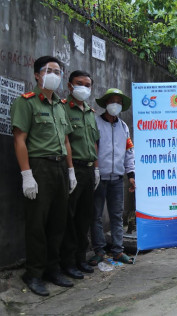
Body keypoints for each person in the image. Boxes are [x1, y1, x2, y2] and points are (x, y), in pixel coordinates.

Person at [11, 56, 77, 296]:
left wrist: (70, 171)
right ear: (37, 75)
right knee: (37, 223)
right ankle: (34, 273)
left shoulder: (60, 106)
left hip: (60, 168)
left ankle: (52, 268)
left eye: (58, 71)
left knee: (58, 222)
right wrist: (26, 174)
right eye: (49, 70)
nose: (54, 75)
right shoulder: (26, 103)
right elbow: (19, 139)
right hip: (39, 167)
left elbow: (67, 141)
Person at [59, 71, 100, 279]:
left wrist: (97, 168)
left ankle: (80, 258)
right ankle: (67, 262)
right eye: (79, 84)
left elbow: (94, 142)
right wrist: (70, 170)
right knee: (70, 217)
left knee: (85, 216)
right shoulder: (63, 108)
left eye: (87, 84)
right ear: (69, 86)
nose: (83, 88)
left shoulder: (90, 112)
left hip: (89, 169)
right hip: (73, 167)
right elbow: (65, 141)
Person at [89, 88, 135, 265]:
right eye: (112, 101)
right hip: (99, 178)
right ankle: (99, 251)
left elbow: (129, 152)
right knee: (96, 216)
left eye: (119, 102)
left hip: (117, 179)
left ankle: (117, 251)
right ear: (106, 103)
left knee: (117, 216)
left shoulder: (124, 127)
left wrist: (131, 174)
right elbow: (92, 148)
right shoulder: (95, 123)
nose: (115, 104)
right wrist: (95, 170)